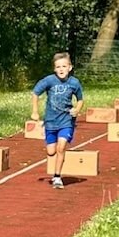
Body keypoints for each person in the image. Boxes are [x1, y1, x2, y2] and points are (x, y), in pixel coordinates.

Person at [30, 52, 84, 189]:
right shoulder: (49, 81)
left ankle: (57, 177)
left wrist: (77, 110)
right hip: (50, 121)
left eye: (64, 66)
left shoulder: (74, 83)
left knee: (61, 148)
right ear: (54, 69)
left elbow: (80, 100)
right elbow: (35, 93)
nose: (61, 69)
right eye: (58, 67)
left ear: (70, 67)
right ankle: (56, 173)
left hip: (66, 121)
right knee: (51, 151)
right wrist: (35, 111)